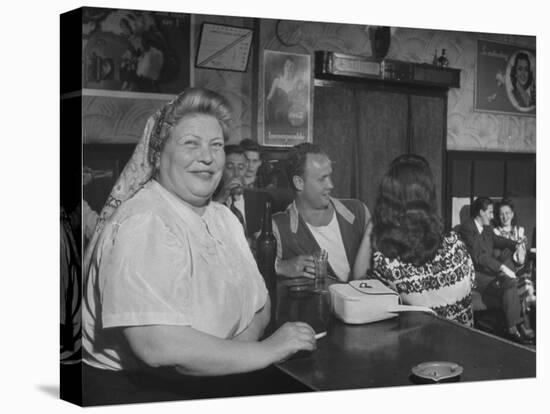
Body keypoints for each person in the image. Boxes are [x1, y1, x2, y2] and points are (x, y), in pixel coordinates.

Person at [82, 88, 317, 405]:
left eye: (216, 145)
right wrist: (263, 350)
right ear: (157, 154)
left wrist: (235, 354)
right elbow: (158, 347)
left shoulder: (223, 217)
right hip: (140, 395)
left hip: (211, 384)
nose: (207, 157)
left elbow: (261, 304)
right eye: (190, 143)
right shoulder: (144, 222)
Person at [354, 154, 475, 326]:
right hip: (468, 348)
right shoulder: (456, 245)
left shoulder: (387, 263)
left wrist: (375, 220)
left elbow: (356, 290)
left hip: (422, 351)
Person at [272, 143, 372, 282]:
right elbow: (248, 266)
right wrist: (280, 266)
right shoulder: (279, 227)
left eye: (329, 176)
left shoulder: (358, 212)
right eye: (322, 179)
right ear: (299, 182)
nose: (330, 185)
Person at [459, 197, 533, 344]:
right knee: (509, 279)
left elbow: (499, 241)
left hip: (489, 273)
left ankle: (512, 329)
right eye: (491, 213)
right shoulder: (468, 228)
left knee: (510, 281)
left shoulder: (487, 229)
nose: (493, 216)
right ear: (481, 212)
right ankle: (516, 327)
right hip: (476, 276)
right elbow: (479, 256)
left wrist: (516, 243)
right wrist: (502, 267)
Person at [213, 144, 272, 240]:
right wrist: (221, 198)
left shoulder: (261, 200)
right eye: (229, 167)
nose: (236, 174)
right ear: (220, 170)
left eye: (241, 168)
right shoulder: (211, 201)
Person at [494, 199, 536, 322]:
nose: (505, 216)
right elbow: (498, 257)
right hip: (504, 271)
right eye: (501, 214)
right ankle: (522, 325)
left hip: (520, 270)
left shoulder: (520, 231)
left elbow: (522, 259)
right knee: (522, 287)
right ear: (498, 216)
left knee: (528, 287)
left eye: (507, 213)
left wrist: (521, 248)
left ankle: (525, 323)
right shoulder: (495, 232)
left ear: (512, 214)